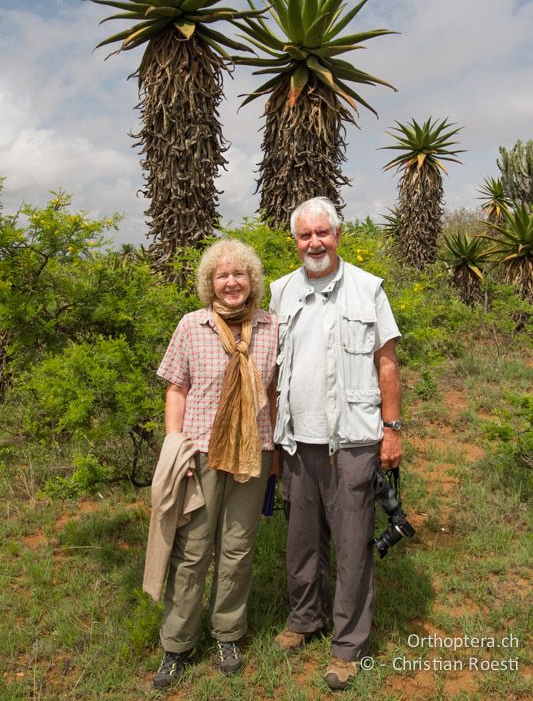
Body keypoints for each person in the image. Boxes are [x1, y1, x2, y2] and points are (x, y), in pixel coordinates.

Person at [270, 197, 402, 691]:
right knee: (301, 540)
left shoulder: (368, 289)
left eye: (322, 233)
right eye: (305, 236)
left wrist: (392, 430)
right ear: (295, 242)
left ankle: (348, 644)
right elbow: (270, 371)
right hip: (296, 440)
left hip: (354, 438)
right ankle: (306, 619)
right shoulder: (280, 292)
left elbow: (386, 364)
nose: (314, 243)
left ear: (339, 235)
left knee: (351, 545)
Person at [146, 239, 279, 689]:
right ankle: (177, 644)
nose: (231, 282)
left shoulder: (270, 327)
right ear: (210, 283)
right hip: (200, 451)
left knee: (238, 549)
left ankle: (227, 633)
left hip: (253, 451)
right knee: (193, 550)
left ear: (252, 280)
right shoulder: (192, 325)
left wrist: (276, 451)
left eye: (239, 274)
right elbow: (176, 389)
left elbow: (275, 394)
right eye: (222, 275)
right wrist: (174, 447)